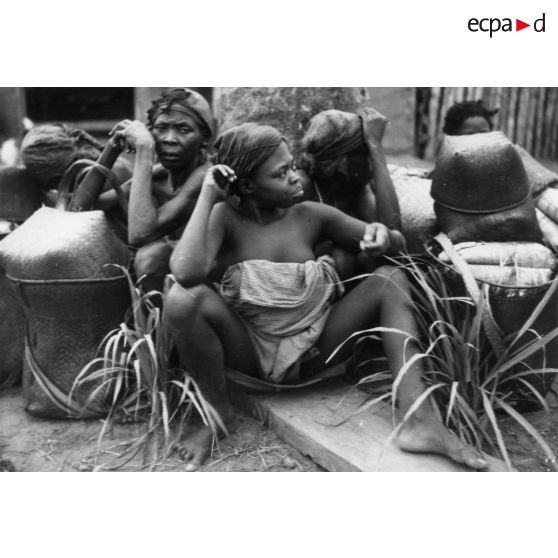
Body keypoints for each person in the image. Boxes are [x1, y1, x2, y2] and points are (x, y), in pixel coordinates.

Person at [163, 122, 491, 472]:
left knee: (389, 279)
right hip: (251, 356)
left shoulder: (310, 215)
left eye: (291, 166)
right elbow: (185, 272)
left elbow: (392, 243)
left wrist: (383, 236)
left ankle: (419, 419)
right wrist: (209, 194)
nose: (294, 177)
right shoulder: (224, 219)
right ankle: (216, 412)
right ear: (246, 187)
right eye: (281, 173)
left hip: (317, 350)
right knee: (184, 298)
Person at [70, 88, 215, 292]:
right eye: (161, 128)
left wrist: (144, 150)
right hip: (175, 281)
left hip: (209, 282)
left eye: (183, 130)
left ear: (205, 138)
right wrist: (111, 148)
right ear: (150, 132)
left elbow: (140, 235)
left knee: (151, 256)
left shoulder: (206, 176)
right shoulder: (160, 175)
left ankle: (152, 324)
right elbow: (78, 212)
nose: (169, 138)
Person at [300, 107, 402, 278]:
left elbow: (392, 236)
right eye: (366, 153)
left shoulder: (352, 187)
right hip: (308, 289)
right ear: (341, 161)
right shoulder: (302, 186)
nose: (373, 162)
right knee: (341, 258)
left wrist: (376, 147)